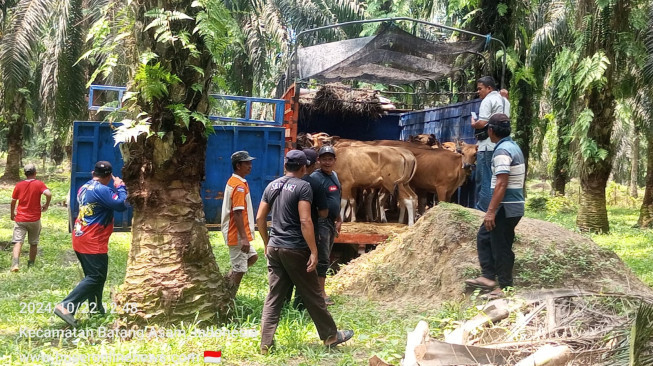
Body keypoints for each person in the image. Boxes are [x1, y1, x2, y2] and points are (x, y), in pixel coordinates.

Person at [256, 150, 353, 354]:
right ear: (303, 167)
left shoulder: (271, 186)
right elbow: (305, 220)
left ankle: (265, 344)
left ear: (285, 166)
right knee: (313, 293)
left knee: (274, 296)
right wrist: (313, 251)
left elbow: (259, 219)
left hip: (274, 246)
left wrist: (266, 242)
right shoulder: (303, 187)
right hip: (295, 248)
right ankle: (330, 336)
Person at [54, 161, 129, 327]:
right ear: (109, 176)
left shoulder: (84, 187)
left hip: (80, 236)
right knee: (96, 277)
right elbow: (121, 205)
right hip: (93, 241)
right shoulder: (102, 189)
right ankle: (66, 306)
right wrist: (121, 187)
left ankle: (96, 310)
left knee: (95, 277)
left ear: (93, 172)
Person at [465, 114, 525, 300]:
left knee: (501, 245)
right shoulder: (512, 146)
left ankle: (505, 286)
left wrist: (491, 211)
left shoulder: (502, 152)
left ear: (490, 130)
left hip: (505, 206)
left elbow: (501, 183)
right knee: (485, 236)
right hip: (512, 204)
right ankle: (488, 277)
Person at [286, 148, 328, 308]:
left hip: (283, 237)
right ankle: (300, 307)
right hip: (305, 237)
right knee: (307, 272)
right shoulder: (312, 185)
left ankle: (283, 306)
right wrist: (314, 250)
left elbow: (261, 216)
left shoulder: (278, 184)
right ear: (307, 165)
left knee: (285, 275)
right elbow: (319, 215)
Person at [221, 151, 259, 295]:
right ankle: (229, 299)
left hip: (237, 232)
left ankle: (227, 281)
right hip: (236, 233)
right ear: (238, 166)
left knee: (253, 257)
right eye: (247, 163)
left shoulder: (237, 182)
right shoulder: (239, 186)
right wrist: (243, 238)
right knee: (240, 270)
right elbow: (237, 213)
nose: (250, 166)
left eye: (250, 162)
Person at [471, 76, 511, 212]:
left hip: (487, 145)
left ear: (489, 88)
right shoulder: (505, 101)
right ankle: (496, 210)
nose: (478, 92)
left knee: (484, 180)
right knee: (497, 180)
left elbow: (482, 123)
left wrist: (473, 123)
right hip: (501, 145)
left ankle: (482, 211)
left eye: (480, 88)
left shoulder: (488, 100)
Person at [310, 145, 343, 305]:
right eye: (324, 159)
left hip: (331, 222)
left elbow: (336, 197)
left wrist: (339, 218)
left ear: (335, 161)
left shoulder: (334, 175)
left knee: (326, 254)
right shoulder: (316, 178)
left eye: (330, 159)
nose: (327, 162)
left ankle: (318, 289)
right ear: (318, 160)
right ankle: (320, 293)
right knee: (322, 257)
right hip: (321, 222)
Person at [10, 163, 52, 272]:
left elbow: (13, 201)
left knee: (18, 241)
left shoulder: (19, 185)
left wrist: (12, 214)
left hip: (20, 219)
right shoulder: (39, 184)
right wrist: (46, 205)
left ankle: (15, 264)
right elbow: (48, 193)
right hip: (34, 219)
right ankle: (31, 264)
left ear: (25, 174)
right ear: (35, 173)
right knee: (33, 243)